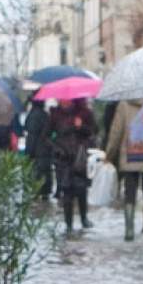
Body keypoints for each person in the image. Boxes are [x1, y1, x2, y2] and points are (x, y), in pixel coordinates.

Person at [105, 99, 143, 241]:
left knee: (129, 192)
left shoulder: (124, 104)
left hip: (129, 156)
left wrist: (109, 153)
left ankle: (129, 230)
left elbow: (116, 131)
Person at [50, 97, 97, 232]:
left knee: (81, 189)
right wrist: (57, 148)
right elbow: (46, 136)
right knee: (67, 191)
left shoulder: (85, 113)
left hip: (80, 157)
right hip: (63, 159)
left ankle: (84, 218)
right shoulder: (55, 114)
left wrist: (81, 126)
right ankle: (69, 224)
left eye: (67, 100)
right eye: (62, 100)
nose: (64, 101)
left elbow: (93, 132)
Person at [23, 97, 54, 200]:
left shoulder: (33, 116)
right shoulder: (45, 115)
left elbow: (31, 132)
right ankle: (45, 191)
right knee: (46, 170)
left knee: (36, 171)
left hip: (36, 148)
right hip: (45, 148)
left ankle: (36, 191)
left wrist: (29, 151)